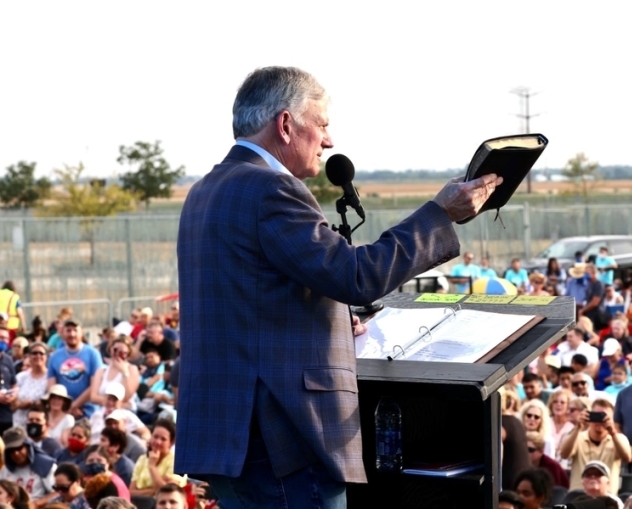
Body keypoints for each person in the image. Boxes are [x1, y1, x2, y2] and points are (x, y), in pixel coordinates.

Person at [174, 67, 502, 506]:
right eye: (323, 125)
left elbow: (250, 302)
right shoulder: (270, 188)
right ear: (286, 125)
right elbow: (356, 276)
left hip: (229, 433)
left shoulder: (205, 191)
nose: (329, 141)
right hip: (282, 437)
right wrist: (440, 215)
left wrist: (325, 318)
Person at [561, 397, 631, 493]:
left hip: (607, 499)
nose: (599, 421)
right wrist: (577, 428)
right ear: (589, 416)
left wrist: (612, 431)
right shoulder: (578, 437)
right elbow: (564, 455)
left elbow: (627, 458)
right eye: (596, 416)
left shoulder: (619, 438)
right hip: (579, 497)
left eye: (603, 417)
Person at [46, 319, 103, 418]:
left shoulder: (93, 354)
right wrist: (66, 407)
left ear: (82, 332)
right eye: (68, 330)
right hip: (62, 411)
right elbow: (52, 387)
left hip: (88, 411)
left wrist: (75, 405)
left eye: (75, 330)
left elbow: (95, 385)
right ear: (62, 333)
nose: (72, 334)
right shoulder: (55, 356)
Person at [0, 426, 56, 506]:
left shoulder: (45, 466)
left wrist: (35, 504)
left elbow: (58, 493)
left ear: (28, 445)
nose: (16, 453)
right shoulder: (5, 471)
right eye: (11, 450)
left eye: (19, 448)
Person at [129, 419, 185, 497]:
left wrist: (152, 466)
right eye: (155, 437)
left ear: (171, 443)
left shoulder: (177, 463)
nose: (158, 442)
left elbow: (168, 494)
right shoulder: (142, 459)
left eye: (163, 439)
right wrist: (155, 490)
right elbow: (131, 492)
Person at [11, 341, 49, 430]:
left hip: (39, 425)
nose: (38, 356)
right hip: (18, 423)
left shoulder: (50, 378)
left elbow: (49, 402)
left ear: (46, 357)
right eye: (34, 353)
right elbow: (12, 403)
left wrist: (31, 403)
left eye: (41, 353)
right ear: (29, 356)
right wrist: (19, 404)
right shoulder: (21, 376)